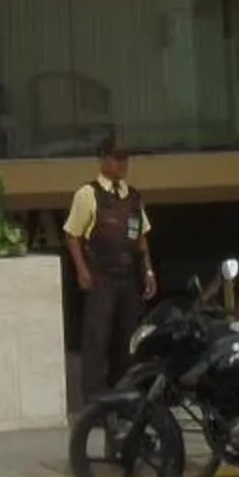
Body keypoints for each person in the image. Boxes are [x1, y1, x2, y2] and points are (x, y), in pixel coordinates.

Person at [65, 136, 157, 400]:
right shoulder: (88, 194)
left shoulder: (133, 197)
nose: (123, 164)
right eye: (117, 159)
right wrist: (82, 271)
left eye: (125, 159)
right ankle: (94, 398)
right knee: (97, 336)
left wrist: (148, 271)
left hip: (128, 277)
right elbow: (73, 236)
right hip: (101, 277)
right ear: (103, 159)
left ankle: (124, 392)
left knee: (127, 336)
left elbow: (141, 238)